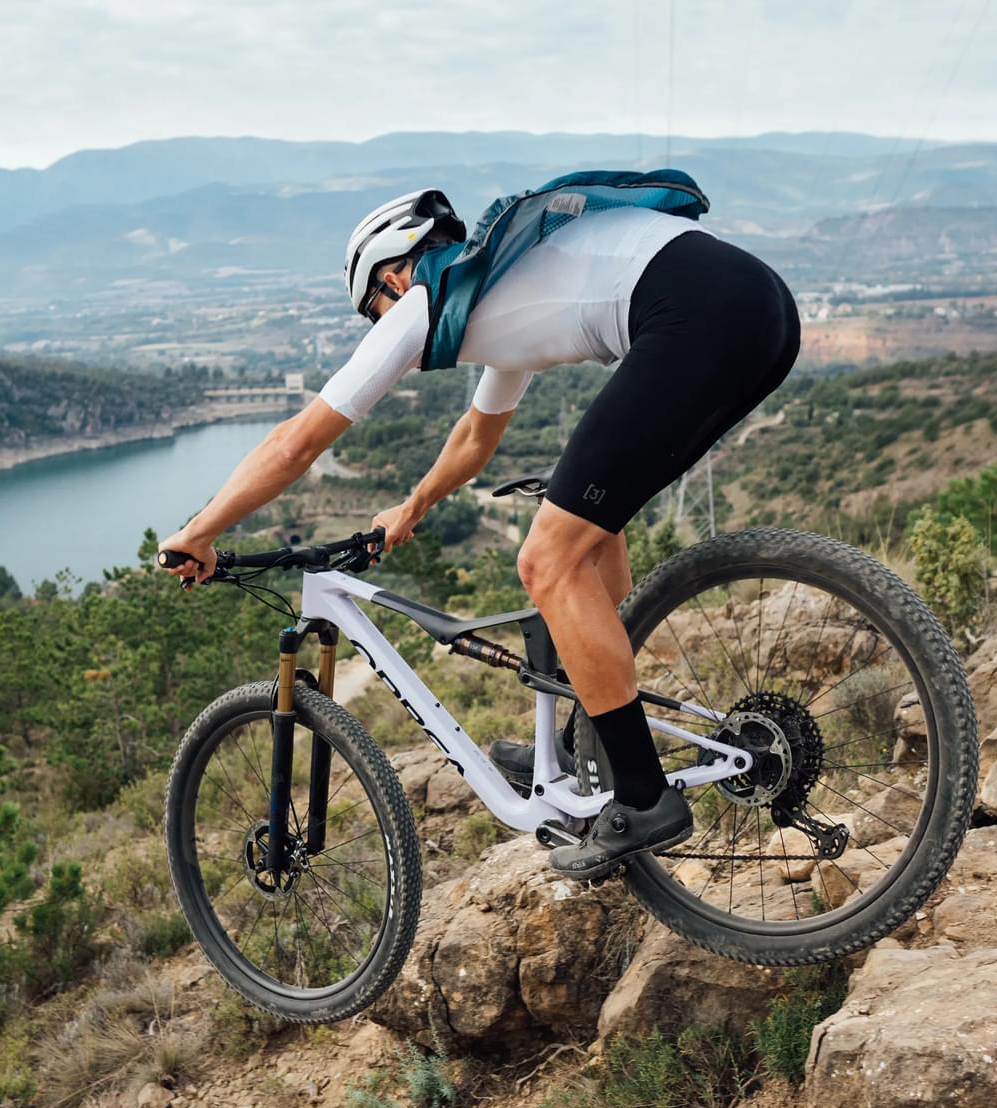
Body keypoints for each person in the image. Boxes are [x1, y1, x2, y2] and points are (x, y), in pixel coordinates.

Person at [159, 181, 800, 877]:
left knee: (546, 561)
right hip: (758, 308)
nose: (379, 329)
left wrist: (199, 530)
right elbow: (475, 435)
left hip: (699, 314)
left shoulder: (426, 301)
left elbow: (295, 446)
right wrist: (411, 506)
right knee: (584, 528)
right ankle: (596, 741)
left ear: (394, 275)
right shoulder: (500, 283)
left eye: (372, 313)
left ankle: (644, 798)